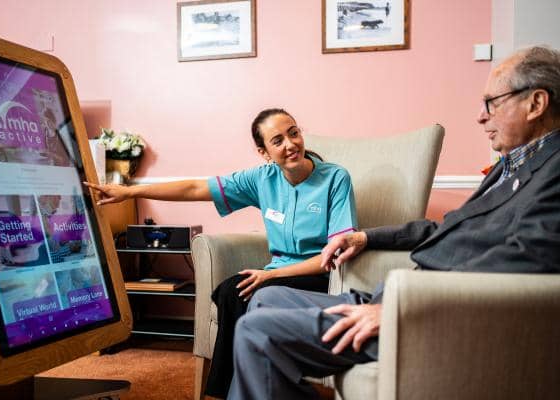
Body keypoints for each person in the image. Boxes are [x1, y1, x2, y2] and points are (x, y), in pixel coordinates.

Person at [226, 46, 560, 400]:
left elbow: (530, 259)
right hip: (402, 297)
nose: (480, 116)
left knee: (256, 331)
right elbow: (444, 229)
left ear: (535, 104)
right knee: (266, 299)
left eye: (492, 102)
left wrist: (400, 309)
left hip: (429, 314)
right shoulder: (512, 166)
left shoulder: (552, 172)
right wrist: (364, 238)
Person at [84, 108, 358, 398]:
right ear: (264, 152)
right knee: (231, 291)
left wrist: (273, 274)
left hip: (319, 274)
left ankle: (229, 392)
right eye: (277, 141)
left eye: (293, 133)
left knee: (248, 290)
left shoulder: (335, 179)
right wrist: (130, 193)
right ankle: (230, 391)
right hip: (277, 272)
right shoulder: (263, 179)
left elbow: (335, 253)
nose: (290, 144)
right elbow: (194, 188)